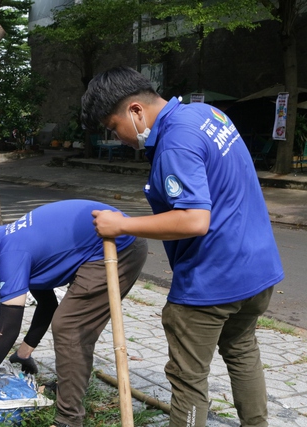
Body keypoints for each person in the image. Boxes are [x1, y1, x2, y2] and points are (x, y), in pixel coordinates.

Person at [82, 66, 284, 427]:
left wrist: (123, 224)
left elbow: (193, 220)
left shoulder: (175, 141)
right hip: (258, 270)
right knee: (242, 350)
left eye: (114, 128)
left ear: (135, 111)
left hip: (213, 282)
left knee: (188, 378)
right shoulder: (207, 114)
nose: (121, 139)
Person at [0, 200, 147, 427]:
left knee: (69, 326)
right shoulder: (12, 239)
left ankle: (68, 419)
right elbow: (47, 304)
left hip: (119, 245)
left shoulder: (12, 254)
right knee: (69, 323)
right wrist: (25, 352)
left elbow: (7, 329)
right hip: (110, 239)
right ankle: (69, 389)